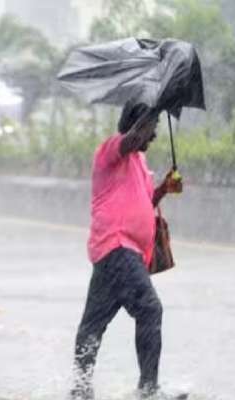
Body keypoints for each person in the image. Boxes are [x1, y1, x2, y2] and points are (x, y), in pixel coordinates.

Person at [71, 103, 182, 400]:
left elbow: (144, 202)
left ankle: (80, 389)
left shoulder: (139, 164)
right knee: (150, 308)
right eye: (151, 129)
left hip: (118, 253)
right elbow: (132, 139)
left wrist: (163, 190)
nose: (154, 136)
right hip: (118, 247)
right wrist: (155, 106)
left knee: (93, 324)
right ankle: (148, 390)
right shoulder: (111, 150)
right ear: (137, 125)